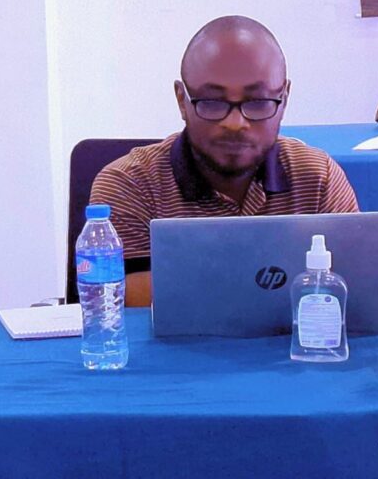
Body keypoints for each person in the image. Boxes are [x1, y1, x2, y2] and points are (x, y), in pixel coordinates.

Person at [90, 16, 358, 306]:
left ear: (284, 98)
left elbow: (354, 292)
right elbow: (125, 306)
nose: (235, 123)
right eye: (212, 102)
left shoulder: (318, 179)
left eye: (258, 102)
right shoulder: (130, 185)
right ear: (181, 100)